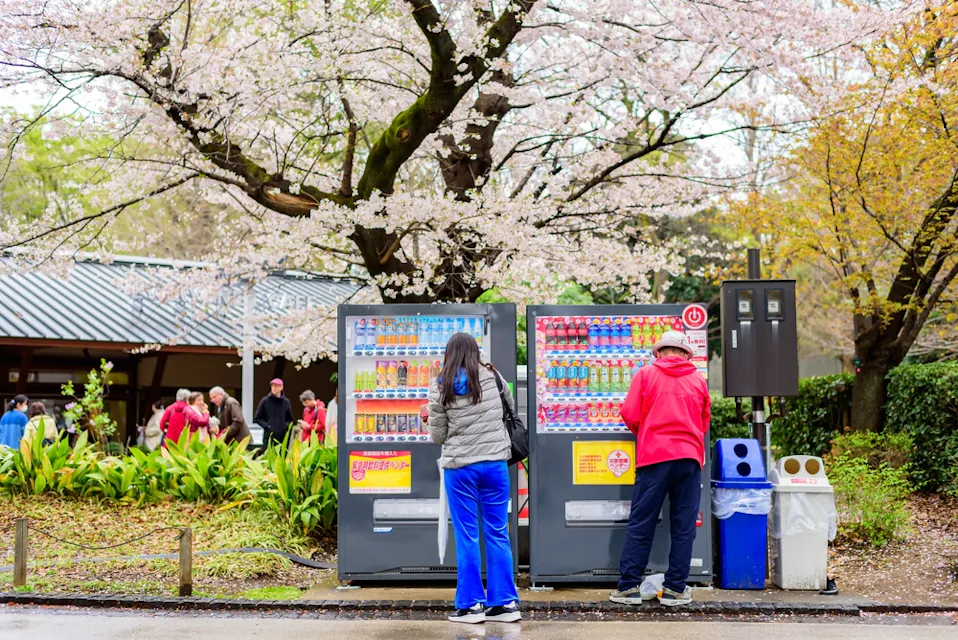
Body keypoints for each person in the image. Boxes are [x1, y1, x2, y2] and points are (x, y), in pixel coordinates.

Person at [610, 331, 711, 608]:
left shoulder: (645, 374)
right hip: (689, 458)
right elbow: (704, 421)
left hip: (653, 457)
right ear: (685, 353)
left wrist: (646, 432)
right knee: (683, 526)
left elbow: (630, 414)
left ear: (659, 352)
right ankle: (675, 590)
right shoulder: (698, 380)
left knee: (642, 522)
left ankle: (629, 587)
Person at [428, 332, 520, 625]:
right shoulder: (493, 375)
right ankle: (504, 604)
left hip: (461, 468)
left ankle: (470, 605)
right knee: (497, 532)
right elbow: (511, 408)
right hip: (495, 465)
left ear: (449, 353)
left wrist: (429, 418)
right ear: (475, 351)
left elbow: (438, 435)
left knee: (467, 535)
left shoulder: (440, 384)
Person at [254, 378, 294, 447]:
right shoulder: (265, 401)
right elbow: (257, 418)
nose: (274, 388)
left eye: (276, 386)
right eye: (272, 386)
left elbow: (290, 419)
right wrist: (268, 426)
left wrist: (284, 427)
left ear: (281, 387)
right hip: (269, 436)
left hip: (282, 437)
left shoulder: (286, 402)